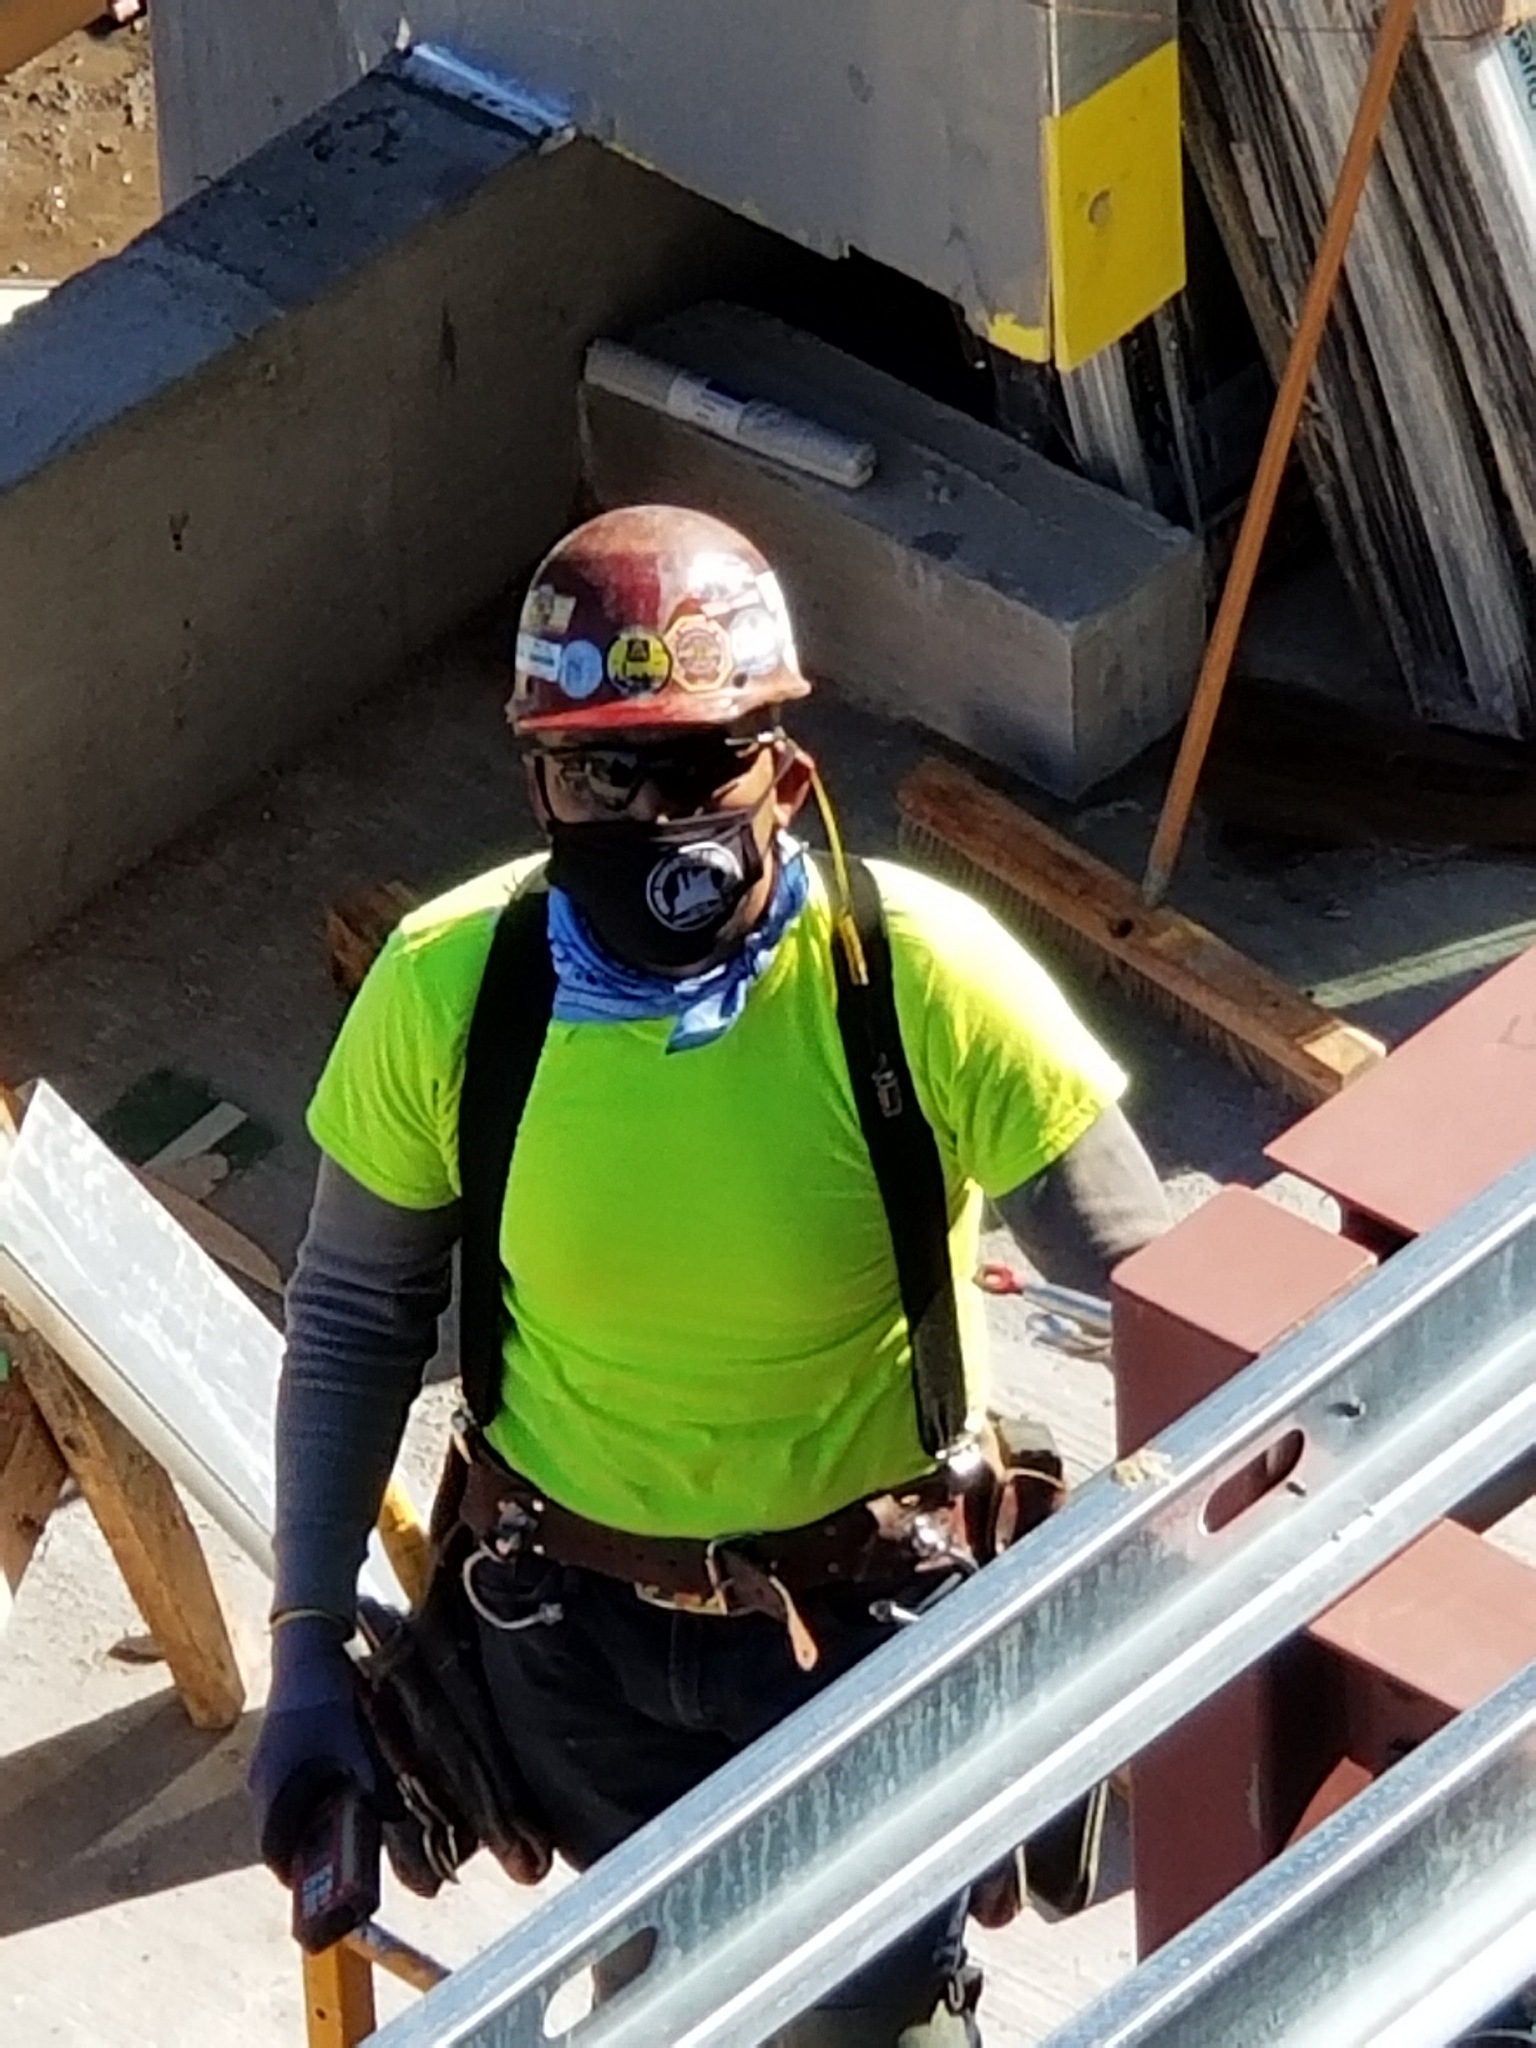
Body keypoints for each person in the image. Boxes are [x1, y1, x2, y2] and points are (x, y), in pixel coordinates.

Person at [248, 503, 1171, 2045]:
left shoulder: (916, 983)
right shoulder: (454, 989)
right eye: (602, 770)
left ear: (787, 771)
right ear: (538, 778)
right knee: (672, 1982)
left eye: (698, 765)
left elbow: (1173, 1296)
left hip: (855, 1644)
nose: (651, 812)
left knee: (864, 2014)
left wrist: (1181, 1612)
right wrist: (299, 1647)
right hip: (564, 1639)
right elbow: (350, 1316)